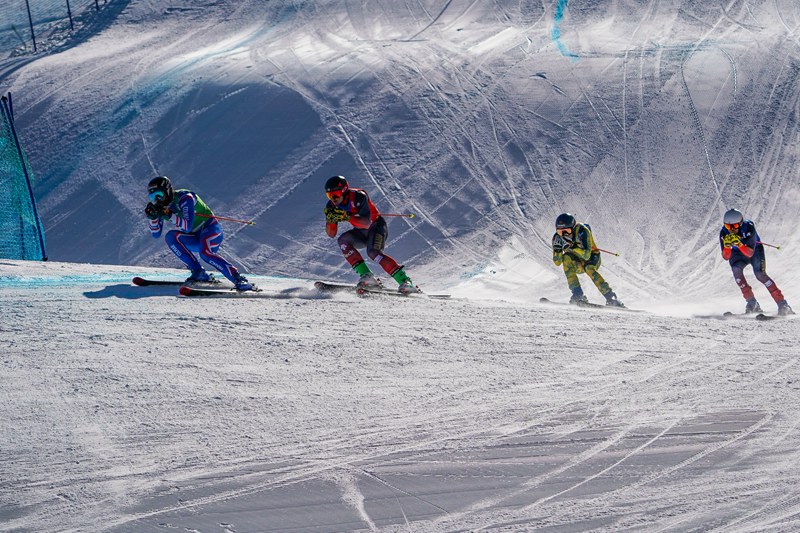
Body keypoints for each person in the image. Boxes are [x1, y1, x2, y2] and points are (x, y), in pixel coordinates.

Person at [145, 176, 254, 291]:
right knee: (170, 237)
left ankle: (238, 279)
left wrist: (169, 215)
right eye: (152, 197)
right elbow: (156, 234)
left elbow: (187, 227)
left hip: (210, 230)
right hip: (195, 236)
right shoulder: (162, 206)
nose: (157, 200)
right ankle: (198, 273)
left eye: (159, 195)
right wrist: (152, 218)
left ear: (167, 191)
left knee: (206, 254)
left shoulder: (185, 198)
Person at [323, 175, 418, 294]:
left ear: (343, 190)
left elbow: (366, 223)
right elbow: (331, 234)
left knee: (373, 253)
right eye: (329, 195)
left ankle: (405, 282)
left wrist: (346, 216)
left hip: (376, 227)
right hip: (361, 232)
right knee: (343, 241)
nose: (333, 198)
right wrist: (330, 220)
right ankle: (368, 277)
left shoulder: (358, 197)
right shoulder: (331, 206)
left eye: (335, 194)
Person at [719, 208, 793, 315]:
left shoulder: (748, 227)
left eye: (734, 226)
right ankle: (752, 303)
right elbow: (726, 257)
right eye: (727, 226)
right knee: (736, 272)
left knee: (760, 275)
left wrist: (739, 244)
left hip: (754, 250)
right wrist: (726, 247)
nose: (731, 229)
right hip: (738, 254)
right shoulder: (723, 232)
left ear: (740, 223)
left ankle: (783, 304)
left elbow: (749, 253)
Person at [551, 213, 624, 307]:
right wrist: (557, 250)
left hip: (592, 258)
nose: (564, 234)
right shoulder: (557, 238)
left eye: (567, 231)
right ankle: (578, 294)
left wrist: (572, 247)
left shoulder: (582, 231)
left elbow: (586, 255)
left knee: (588, 267)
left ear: (573, 228)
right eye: (560, 232)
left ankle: (611, 297)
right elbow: (557, 262)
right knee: (566, 258)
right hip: (577, 262)